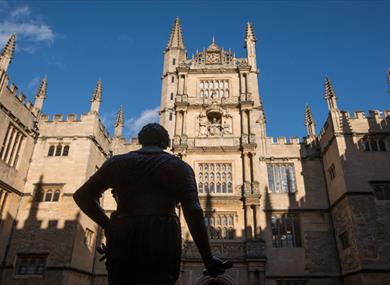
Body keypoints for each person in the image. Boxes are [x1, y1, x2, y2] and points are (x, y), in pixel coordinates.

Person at [73, 123, 231, 285]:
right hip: (163, 235)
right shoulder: (180, 167)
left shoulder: (117, 163)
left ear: (141, 140)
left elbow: (82, 196)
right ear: (165, 142)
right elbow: (194, 211)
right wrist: (207, 258)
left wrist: (108, 225)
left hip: (124, 233)